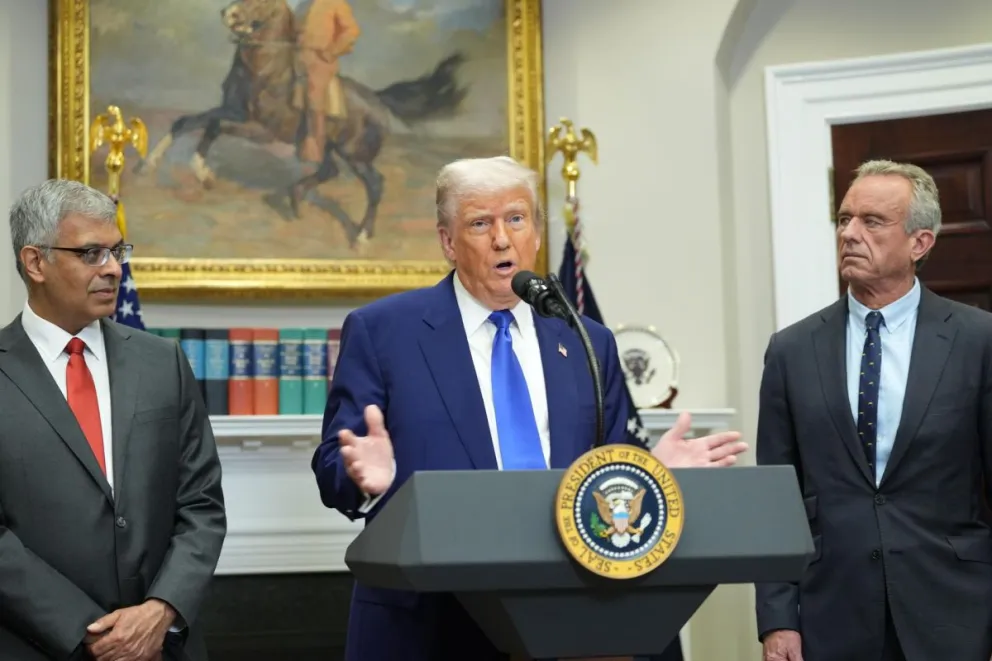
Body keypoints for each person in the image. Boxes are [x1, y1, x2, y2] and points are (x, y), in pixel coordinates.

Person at [312, 155, 749, 661]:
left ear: (536, 233)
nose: (502, 239)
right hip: (435, 622)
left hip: (569, 614)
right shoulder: (384, 332)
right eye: (480, 223)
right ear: (448, 242)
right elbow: (332, 470)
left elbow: (609, 476)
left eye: (516, 219)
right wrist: (365, 479)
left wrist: (653, 474)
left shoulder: (588, 341)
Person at [755, 160, 992, 661]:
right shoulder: (791, 350)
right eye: (844, 220)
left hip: (955, 613)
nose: (850, 234)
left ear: (919, 243)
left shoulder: (978, 341)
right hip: (830, 616)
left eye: (872, 221)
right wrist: (778, 620)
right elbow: (775, 497)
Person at [0, 180, 227, 661]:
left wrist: (160, 611)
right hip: (37, 645)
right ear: (35, 262)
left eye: (116, 250)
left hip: (163, 645)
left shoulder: (161, 361)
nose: (113, 269)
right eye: (90, 254)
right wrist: (89, 631)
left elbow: (202, 504)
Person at [294, 0, 361, 163]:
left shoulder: (336, 3)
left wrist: (331, 51)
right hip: (297, 56)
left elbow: (351, 30)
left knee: (314, 95)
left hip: (321, 60)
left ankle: (315, 148)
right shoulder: (303, 5)